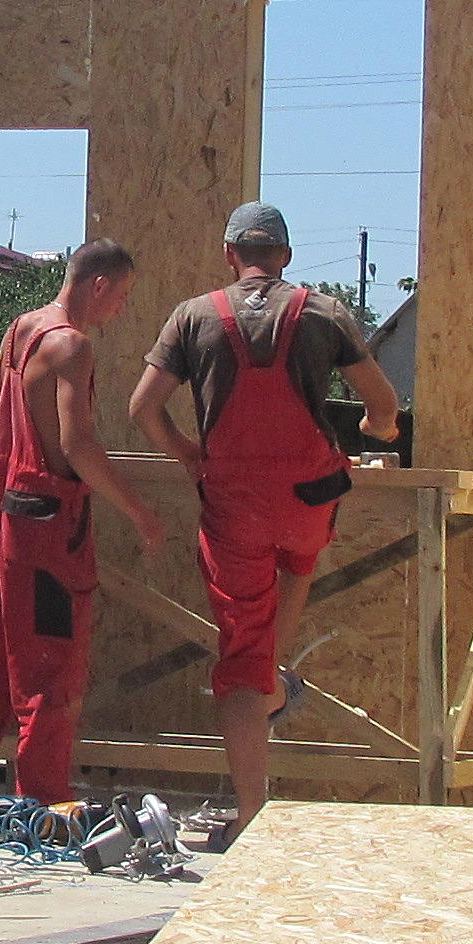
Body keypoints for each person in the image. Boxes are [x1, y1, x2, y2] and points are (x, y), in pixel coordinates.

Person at [126, 202, 405, 847]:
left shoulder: (194, 316)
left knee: (242, 664)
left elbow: (143, 409)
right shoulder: (324, 312)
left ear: (230, 254)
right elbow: (383, 402)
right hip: (308, 500)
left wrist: (188, 454)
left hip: (234, 506)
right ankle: (273, 678)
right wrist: (379, 428)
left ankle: (253, 803)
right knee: (299, 560)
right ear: (285, 256)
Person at [0, 240, 165, 825]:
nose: (122, 309)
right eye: (122, 296)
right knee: (50, 669)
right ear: (97, 285)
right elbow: (79, 446)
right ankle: (43, 809)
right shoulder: (72, 345)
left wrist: (21, 432)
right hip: (46, 521)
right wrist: (140, 512)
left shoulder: (23, 329)